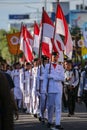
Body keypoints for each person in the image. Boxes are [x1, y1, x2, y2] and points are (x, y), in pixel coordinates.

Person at [45, 52, 64, 129]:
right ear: (51, 57)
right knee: (50, 106)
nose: (55, 58)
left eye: (56, 57)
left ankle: (58, 123)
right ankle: (49, 121)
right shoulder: (47, 66)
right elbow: (46, 78)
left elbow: (62, 78)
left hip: (58, 89)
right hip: (50, 89)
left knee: (58, 106)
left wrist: (53, 76)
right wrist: (44, 89)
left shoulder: (61, 67)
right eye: (54, 57)